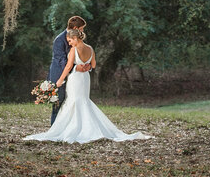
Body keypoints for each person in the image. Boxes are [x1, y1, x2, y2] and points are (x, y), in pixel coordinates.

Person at [23, 28, 151, 144]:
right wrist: (87, 66)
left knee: (73, 101)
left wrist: (59, 81)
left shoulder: (74, 50)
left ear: (75, 38)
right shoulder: (90, 48)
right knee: (83, 101)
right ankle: (86, 127)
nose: (69, 43)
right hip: (85, 78)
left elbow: (68, 67)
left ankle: (74, 129)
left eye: (70, 40)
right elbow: (93, 65)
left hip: (76, 77)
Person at [47, 16, 91, 127]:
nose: (82, 31)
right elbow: (62, 61)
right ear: (75, 28)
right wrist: (76, 68)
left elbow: (81, 55)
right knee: (59, 103)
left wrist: (87, 65)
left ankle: (71, 127)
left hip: (74, 78)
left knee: (73, 103)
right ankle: (54, 129)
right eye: (81, 28)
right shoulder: (59, 40)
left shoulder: (77, 38)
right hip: (59, 74)